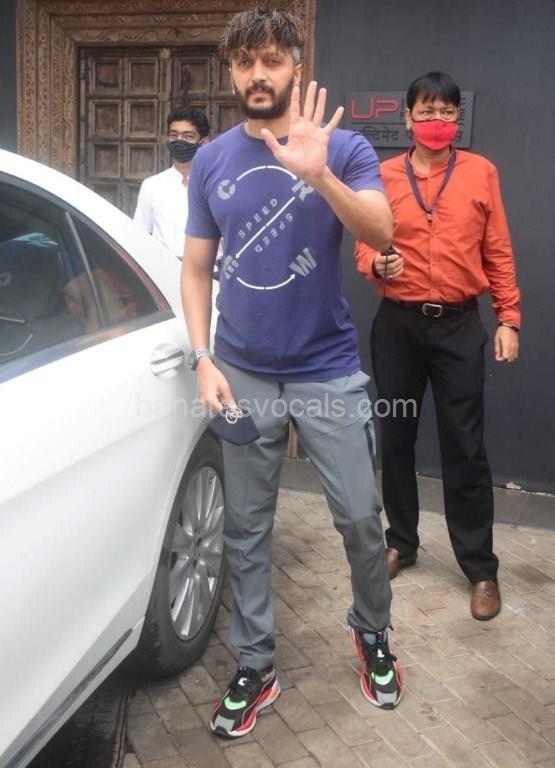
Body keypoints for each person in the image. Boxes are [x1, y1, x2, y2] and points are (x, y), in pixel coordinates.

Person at [181, 8, 403, 740]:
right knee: (246, 529)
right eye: (245, 62)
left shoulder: (344, 147)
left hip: (326, 369)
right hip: (242, 371)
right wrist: (202, 356)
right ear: (231, 71)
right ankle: (256, 662)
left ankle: (370, 629)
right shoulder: (211, 161)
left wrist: (319, 175)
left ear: (295, 68)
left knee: (360, 518)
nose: (258, 74)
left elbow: (380, 230)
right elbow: (197, 267)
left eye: (271, 60)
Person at [355, 71, 521, 622]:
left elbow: (498, 249)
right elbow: (363, 242)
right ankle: (400, 541)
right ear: (407, 118)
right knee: (397, 437)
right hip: (398, 327)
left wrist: (508, 318)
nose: (436, 121)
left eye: (446, 112)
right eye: (425, 112)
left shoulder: (481, 173)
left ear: (457, 119)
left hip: (457, 328)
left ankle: (480, 568)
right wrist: (375, 264)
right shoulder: (381, 175)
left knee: (465, 446)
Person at [133, 107, 210, 259]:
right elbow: (140, 235)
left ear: (204, 142)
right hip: (163, 269)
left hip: (211, 269)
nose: (179, 141)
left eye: (188, 136)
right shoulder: (152, 186)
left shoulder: (216, 185)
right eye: (174, 135)